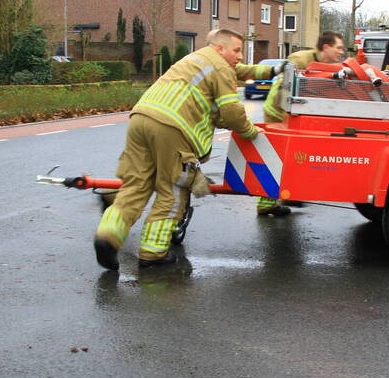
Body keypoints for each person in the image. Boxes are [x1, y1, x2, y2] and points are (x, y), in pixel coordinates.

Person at [93, 28, 270, 270]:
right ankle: (153, 253)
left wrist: (272, 70)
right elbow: (232, 112)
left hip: (141, 117)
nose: (240, 56)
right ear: (220, 48)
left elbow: (239, 74)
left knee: (135, 185)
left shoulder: (194, 59)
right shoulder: (220, 68)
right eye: (237, 50)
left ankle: (107, 236)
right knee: (173, 189)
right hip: (172, 128)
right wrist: (251, 132)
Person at [257, 30, 345, 216]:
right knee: (276, 159)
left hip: (294, 117)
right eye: (338, 48)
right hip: (279, 114)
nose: (341, 52)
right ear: (326, 47)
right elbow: (287, 90)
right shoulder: (300, 60)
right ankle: (267, 203)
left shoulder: (327, 64)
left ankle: (287, 194)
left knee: (292, 158)